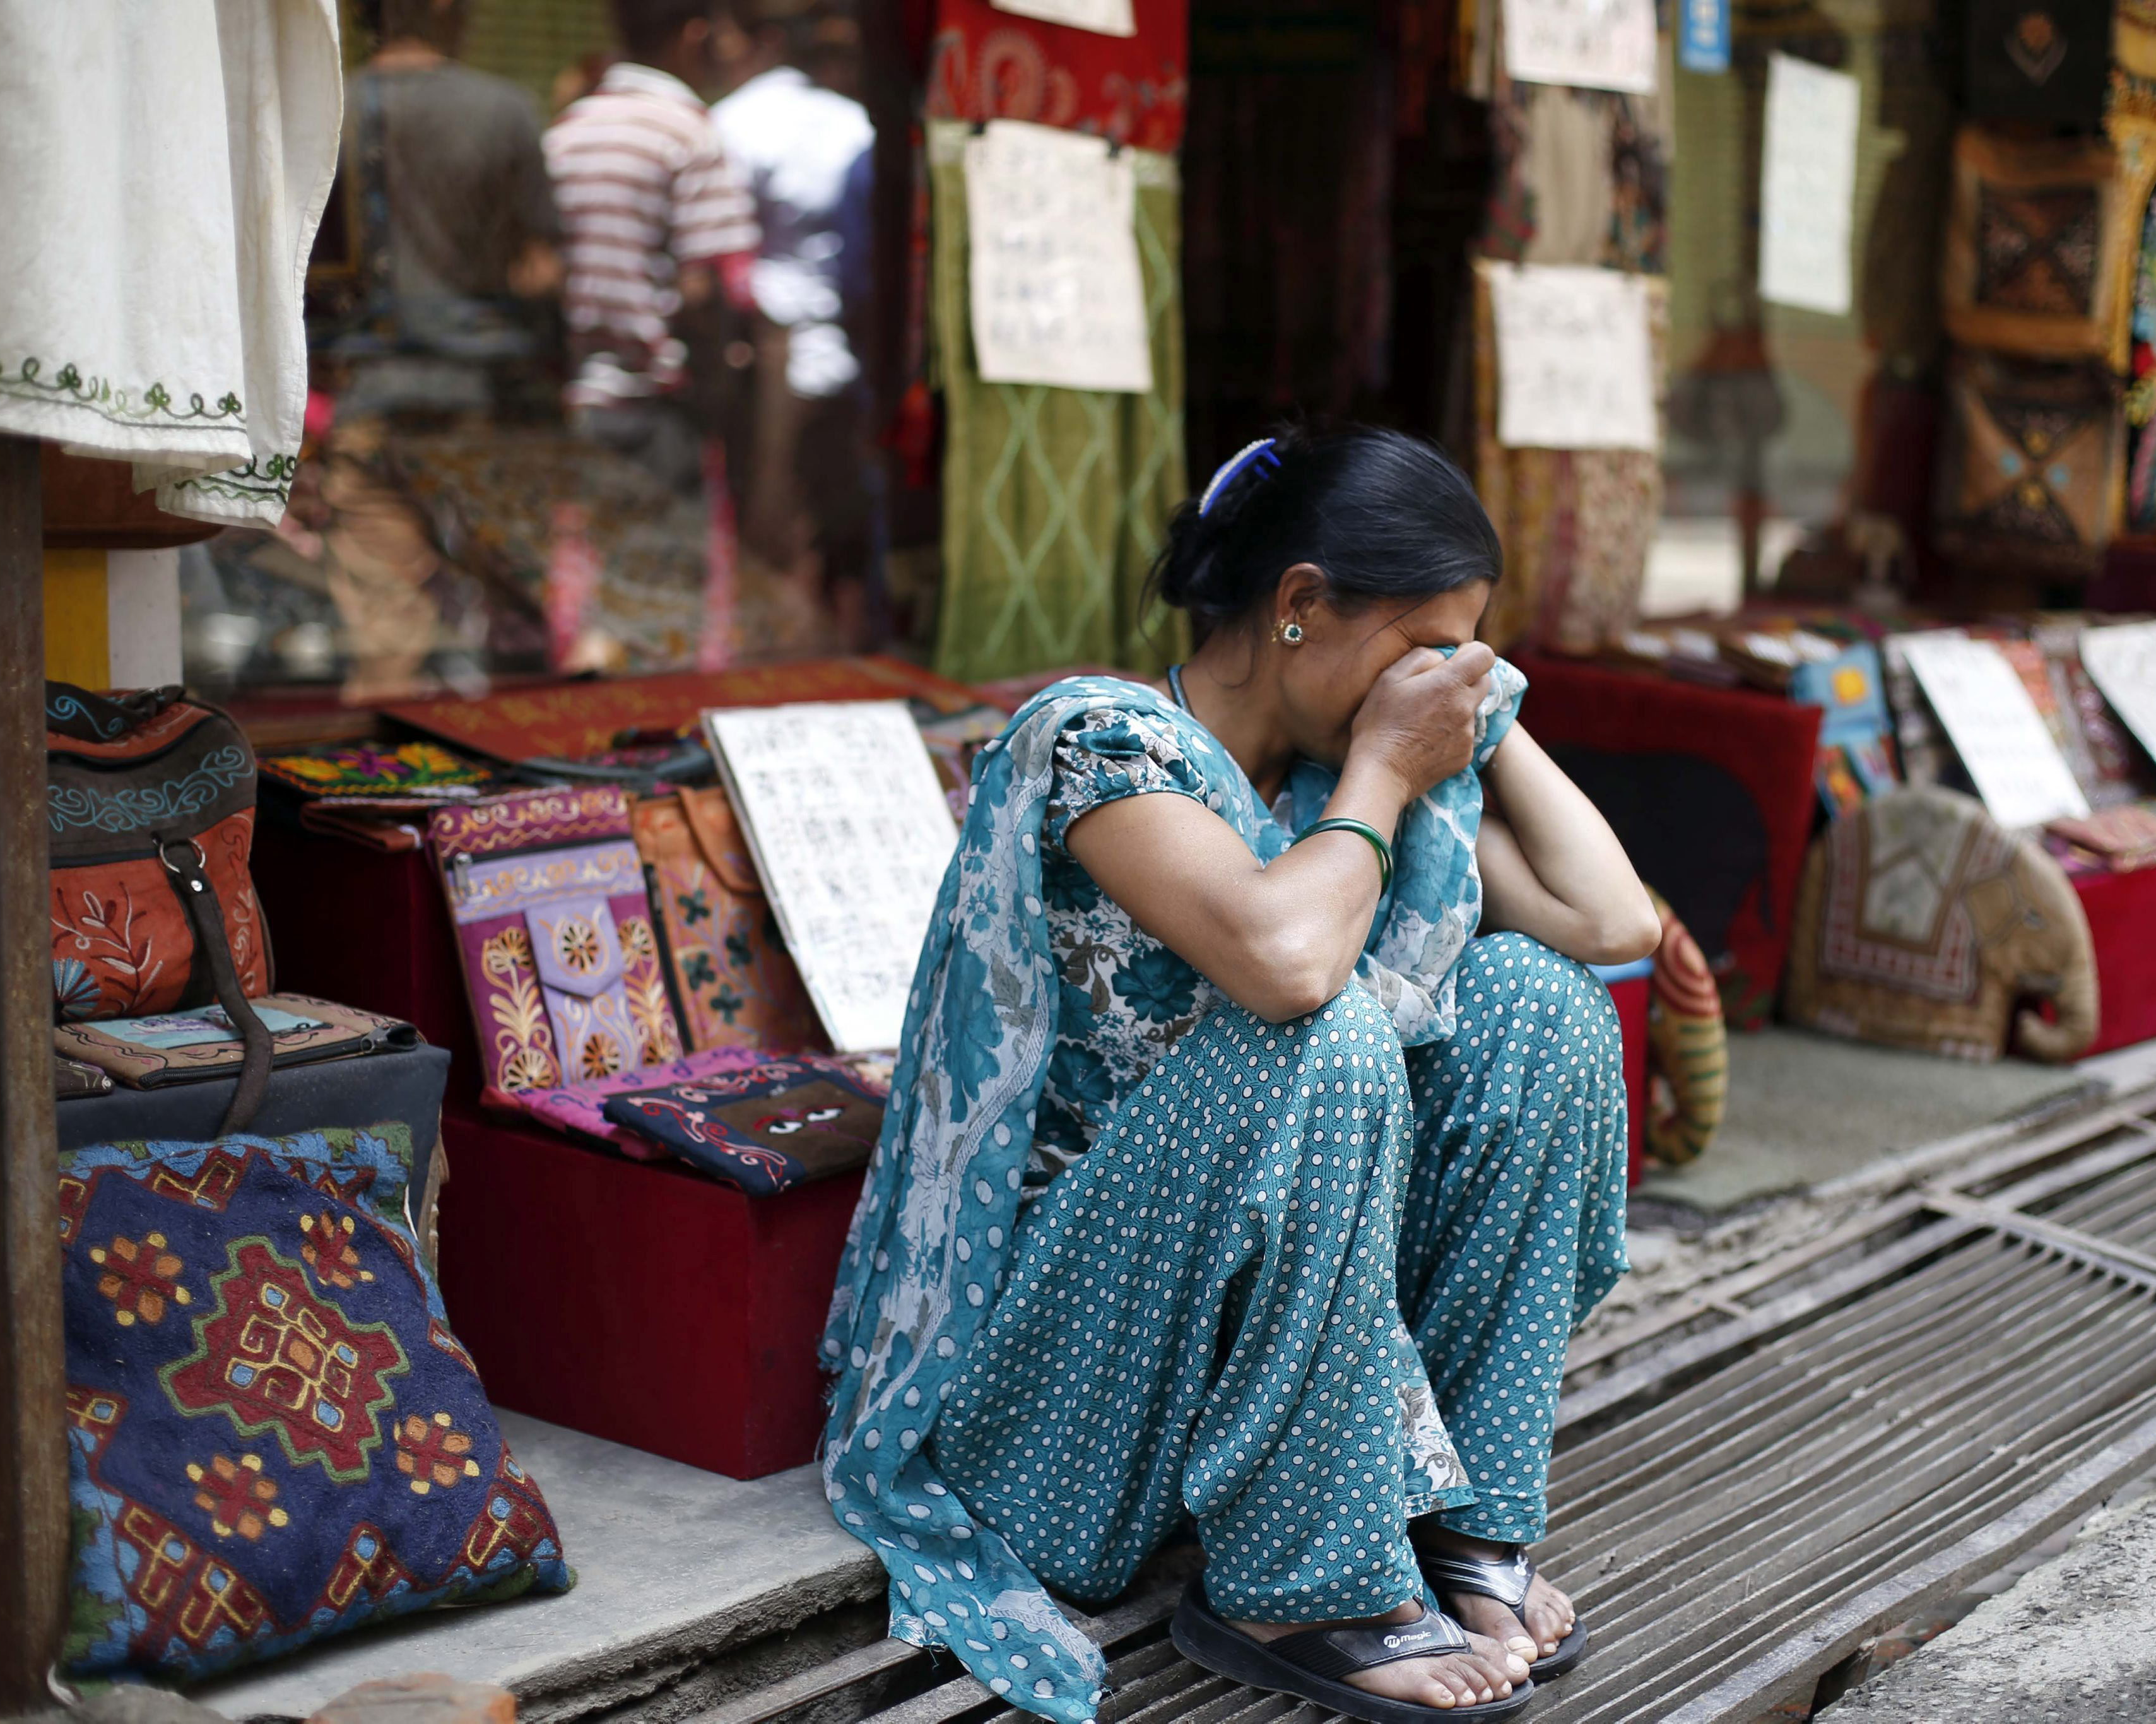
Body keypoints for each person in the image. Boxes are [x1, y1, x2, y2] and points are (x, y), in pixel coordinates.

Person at [821, 426, 1662, 1724]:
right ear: (1299, 604)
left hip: (1246, 1394)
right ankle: (1293, 1582)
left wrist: (1480, 716)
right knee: (1322, 1030)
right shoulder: (1103, 745)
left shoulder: (1359, 788)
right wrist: (1387, 765)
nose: (1437, 678)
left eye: (1464, 646)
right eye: (1419, 641)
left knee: (1541, 1005)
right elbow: (1283, 959)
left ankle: (1452, 1525)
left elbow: (1615, 926)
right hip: (1066, 1404)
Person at [708, 0, 878, 643]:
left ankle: (782, 653)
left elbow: (723, 254)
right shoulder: (853, 123)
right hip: (844, 346)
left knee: (771, 521)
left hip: (767, 351)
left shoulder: (734, 122)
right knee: (831, 521)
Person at [543, 0, 759, 494]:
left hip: (581, 404)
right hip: (661, 414)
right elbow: (701, 289)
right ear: (693, 34)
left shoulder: (566, 131)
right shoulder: (690, 133)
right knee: (665, 565)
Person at [328, 0, 563, 414]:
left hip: (358, 393)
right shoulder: (506, 111)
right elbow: (540, 272)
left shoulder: (331, 115)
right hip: (480, 394)